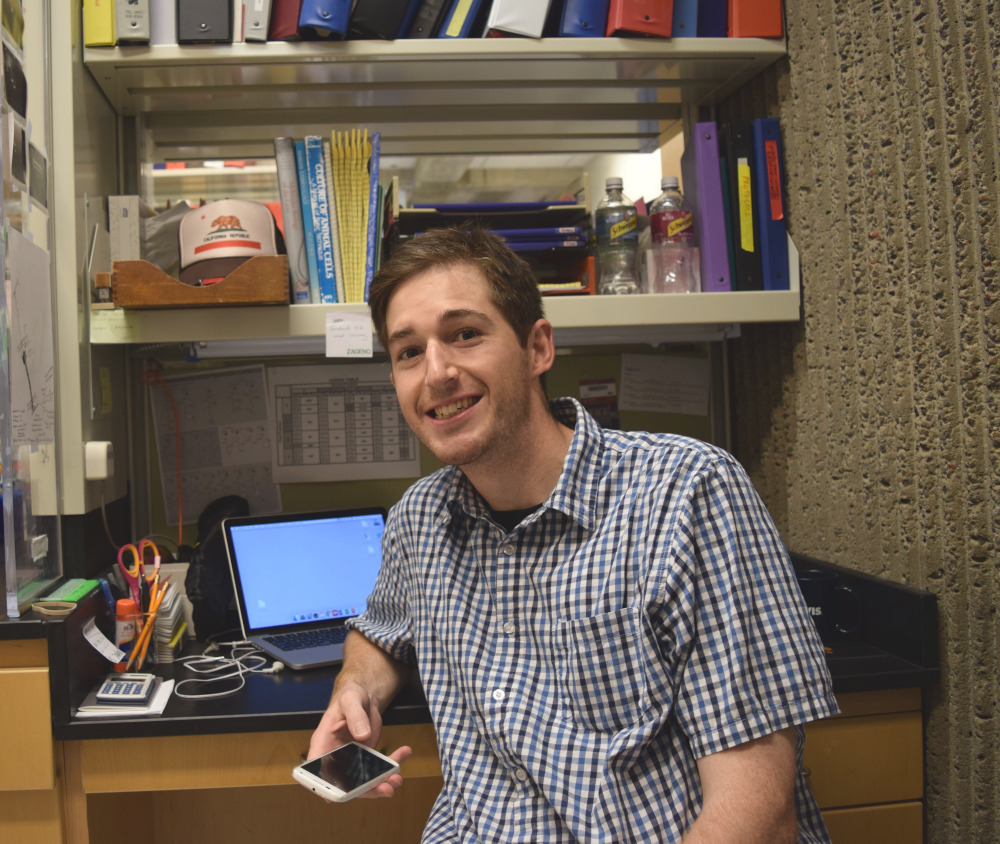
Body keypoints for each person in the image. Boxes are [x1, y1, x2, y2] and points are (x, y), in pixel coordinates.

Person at [308, 226, 839, 842]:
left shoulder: (687, 492)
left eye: (465, 334)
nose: (437, 372)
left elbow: (757, 815)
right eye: (408, 352)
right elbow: (381, 631)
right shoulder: (419, 518)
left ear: (537, 348)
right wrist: (355, 691)